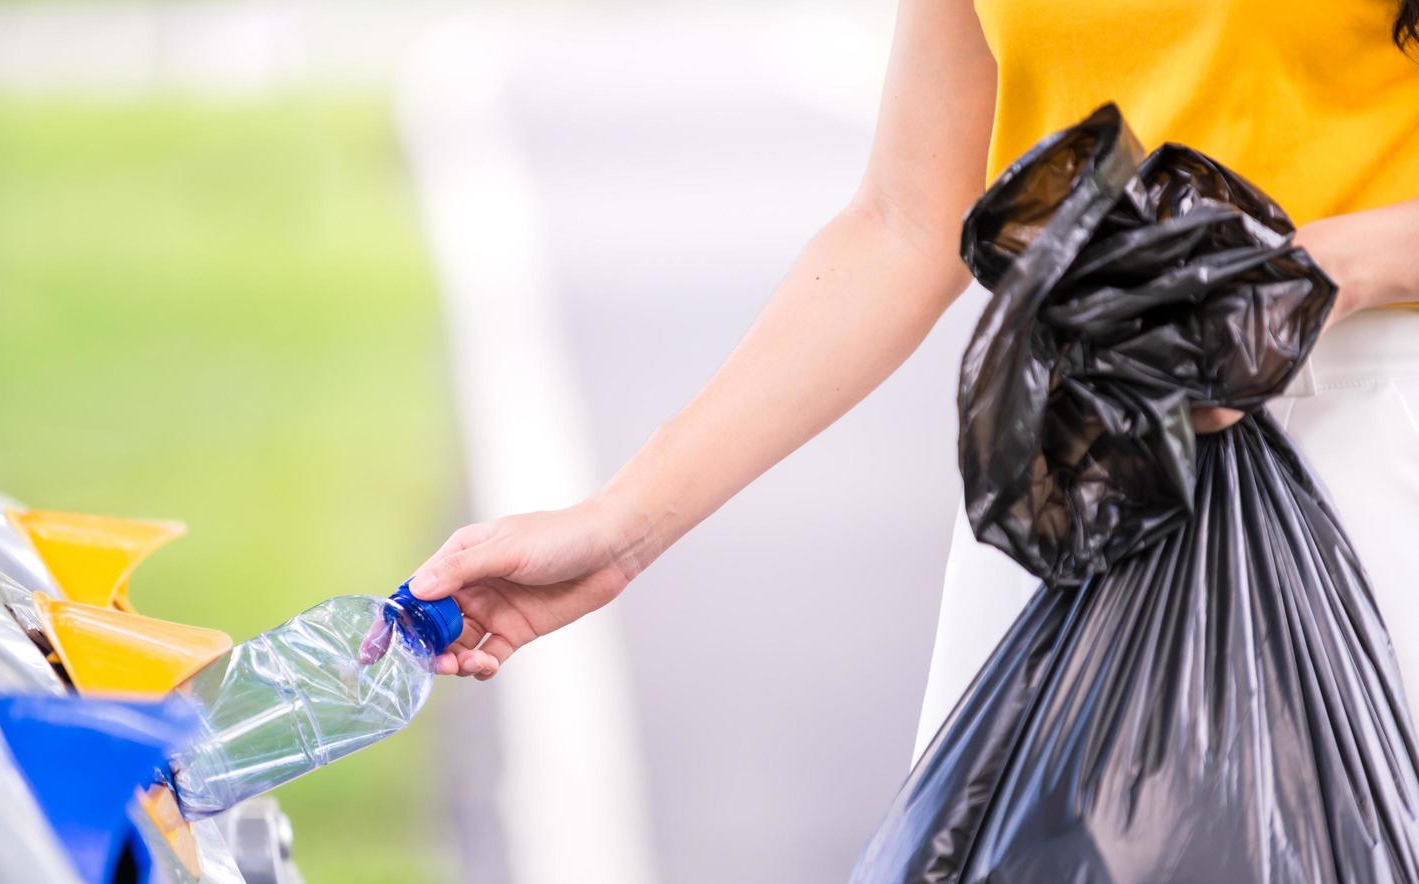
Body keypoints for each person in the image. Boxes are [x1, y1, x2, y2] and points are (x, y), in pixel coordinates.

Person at [409, 0, 1419, 762]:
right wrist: (620, 526)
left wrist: (1325, 267)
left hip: (1380, 464)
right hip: (1078, 475)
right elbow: (907, 221)